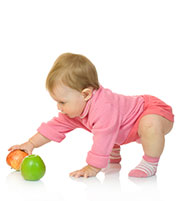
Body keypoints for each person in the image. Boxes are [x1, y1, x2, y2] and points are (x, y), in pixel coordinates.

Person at [8, 53, 174, 178]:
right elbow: (53, 127)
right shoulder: (76, 109)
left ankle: (150, 162)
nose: (59, 107)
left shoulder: (104, 107)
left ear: (86, 94)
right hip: (123, 125)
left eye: (62, 102)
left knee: (148, 125)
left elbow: (104, 135)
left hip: (151, 111)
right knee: (110, 128)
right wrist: (30, 144)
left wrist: (93, 167)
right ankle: (113, 157)